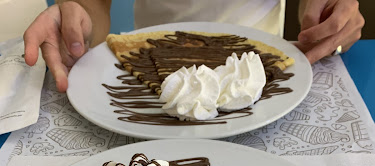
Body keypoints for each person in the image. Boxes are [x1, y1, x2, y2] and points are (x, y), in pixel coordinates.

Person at [23, 0, 364, 93]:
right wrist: (78, 27)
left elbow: (325, 7)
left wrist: (332, 18)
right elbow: (92, 5)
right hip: (155, 60)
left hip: (261, 67)